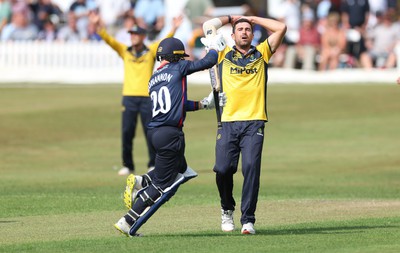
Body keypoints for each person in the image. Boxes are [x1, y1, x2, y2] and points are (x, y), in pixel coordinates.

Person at [113, 35, 227, 236]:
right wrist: (213, 48)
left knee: (182, 170)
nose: (183, 60)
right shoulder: (178, 68)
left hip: (155, 133)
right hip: (171, 135)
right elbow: (208, 62)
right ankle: (127, 220)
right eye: (181, 57)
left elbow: (177, 103)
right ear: (175, 57)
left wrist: (202, 104)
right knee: (163, 185)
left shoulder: (153, 80)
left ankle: (141, 181)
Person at [202, 14, 286, 234]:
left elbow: (281, 28)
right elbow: (208, 26)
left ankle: (248, 220)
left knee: (250, 169)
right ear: (232, 34)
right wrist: (231, 17)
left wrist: (252, 18)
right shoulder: (222, 53)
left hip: (254, 122)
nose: (244, 32)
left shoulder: (262, 53)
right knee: (223, 169)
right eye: (240, 29)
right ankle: (226, 208)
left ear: (252, 33)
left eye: (247, 29)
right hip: (227, 121)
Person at [89, 12, 183, 176]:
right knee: (127, 132)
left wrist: (174, 27)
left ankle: (152, 163)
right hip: (129, 97)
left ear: (142, 36)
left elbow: (165, 42)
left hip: (147, 98)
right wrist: (97, 24)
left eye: (135, 34)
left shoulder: (151, 51)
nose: (132, 37)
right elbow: (108, 39)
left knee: (150, 132)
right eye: (131, 34)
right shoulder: (125, 51)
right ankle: (128, 165)